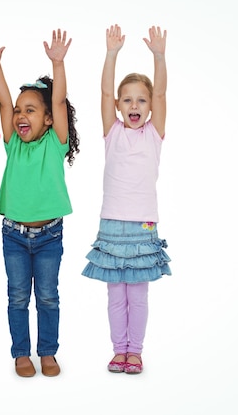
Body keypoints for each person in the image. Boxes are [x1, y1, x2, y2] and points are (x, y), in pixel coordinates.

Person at [0, 30, 79, 377]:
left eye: (32, 110)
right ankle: (21, 353)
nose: (21, 115)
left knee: (48, 297)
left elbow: (58, 100)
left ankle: (48, 352)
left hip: (50, 236)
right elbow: (4, 104)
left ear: (49, 119)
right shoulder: (13, 145)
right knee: (17, 297)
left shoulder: (56, 143)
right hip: (14, 236)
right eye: (20, 111)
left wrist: (58, 63)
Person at [81, 25, 172, 375]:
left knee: (138, 295)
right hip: (112, 224)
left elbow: (162, 94)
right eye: (127, 100)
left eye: (142, 100)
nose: (135, 105)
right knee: (115, 295)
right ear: (119, 106)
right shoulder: (112, 131)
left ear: (150, 107)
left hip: (143, 223)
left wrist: (159, 57)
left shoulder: (154, 135)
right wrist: (111, 54)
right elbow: (104, 93)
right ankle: (119, 350)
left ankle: (136, 351)